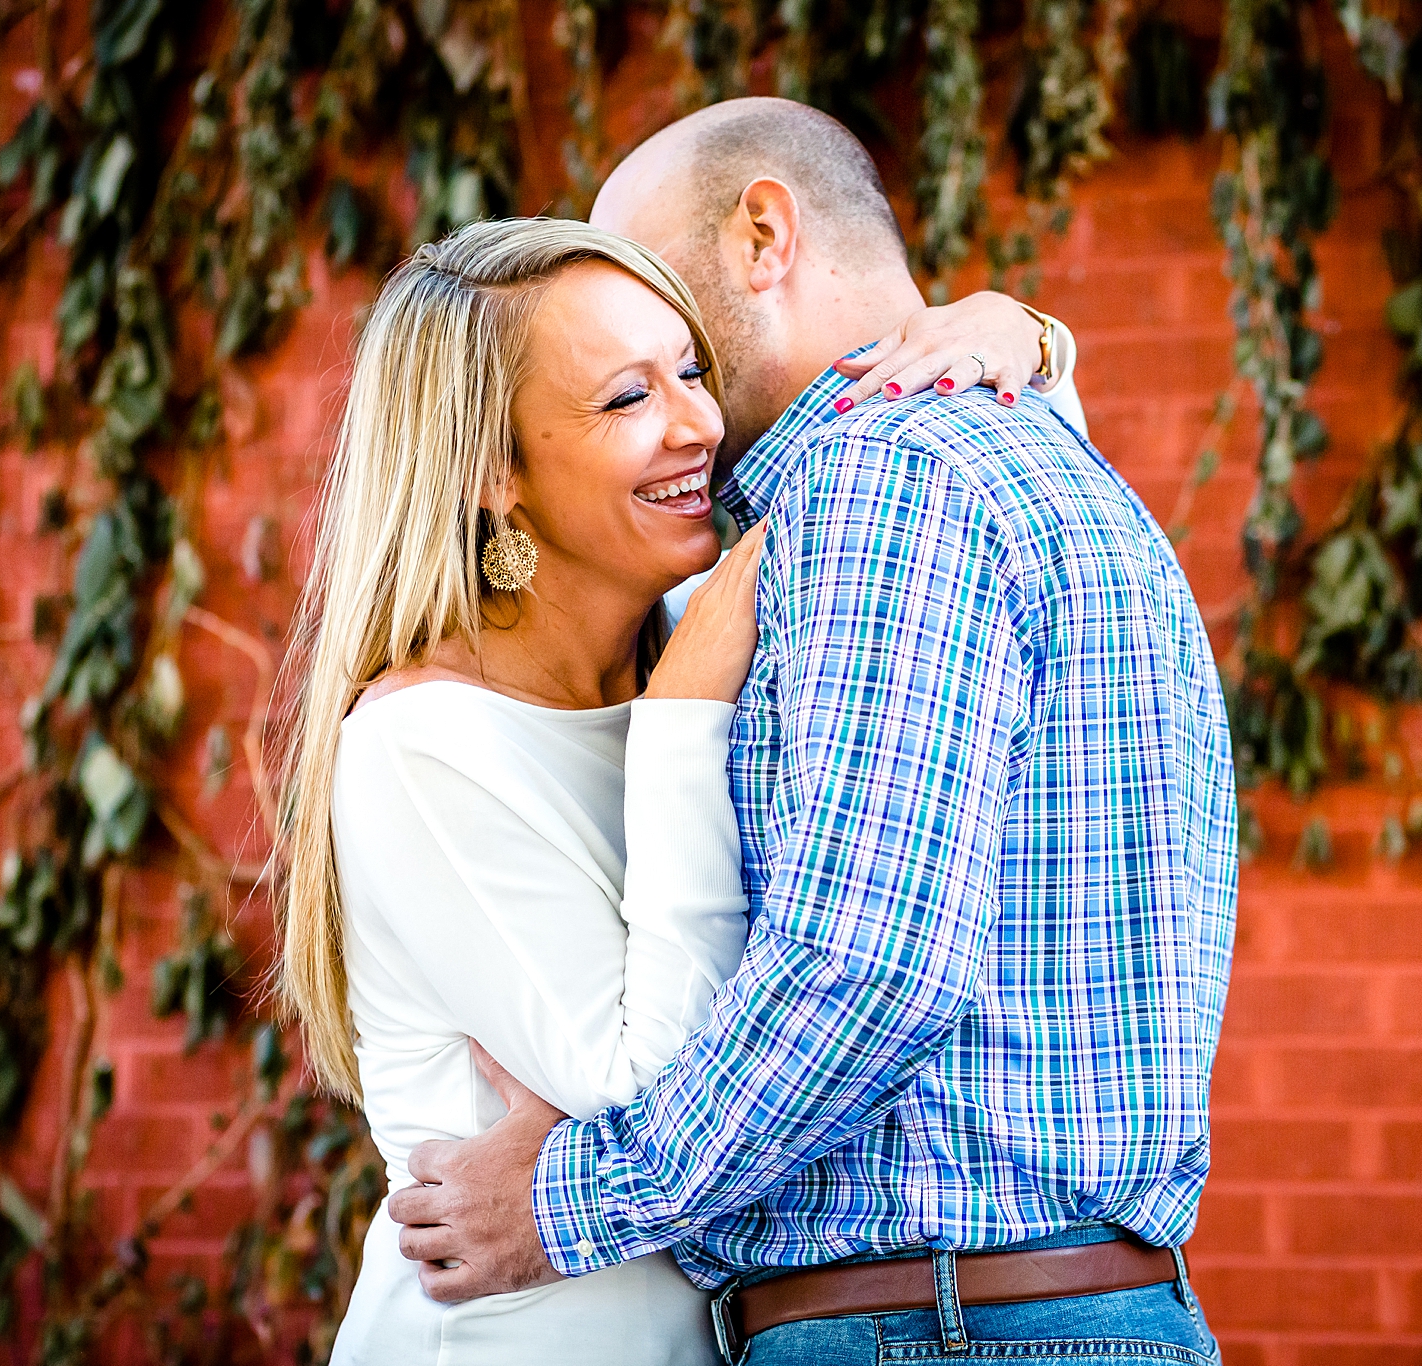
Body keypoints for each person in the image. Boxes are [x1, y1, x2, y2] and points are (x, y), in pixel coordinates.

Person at [385, 98, 1238, 1364]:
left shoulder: (882, 479)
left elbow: (872, 961)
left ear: (764, 235)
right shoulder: (1018, 458)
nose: (665, 366)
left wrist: (567, 1204)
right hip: (1028, 1313)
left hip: (935, 1328)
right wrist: (1041, 346)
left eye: (660, 304)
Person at [275, 213, 1085, 1365]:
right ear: (488, 475)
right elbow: (648, 1085)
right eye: (624, 399)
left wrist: (1029, 338)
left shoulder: (693, 643)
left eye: (691, 370)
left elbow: (1008, 513)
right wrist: (679, 720)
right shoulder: (425, 744)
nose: (698, 424)